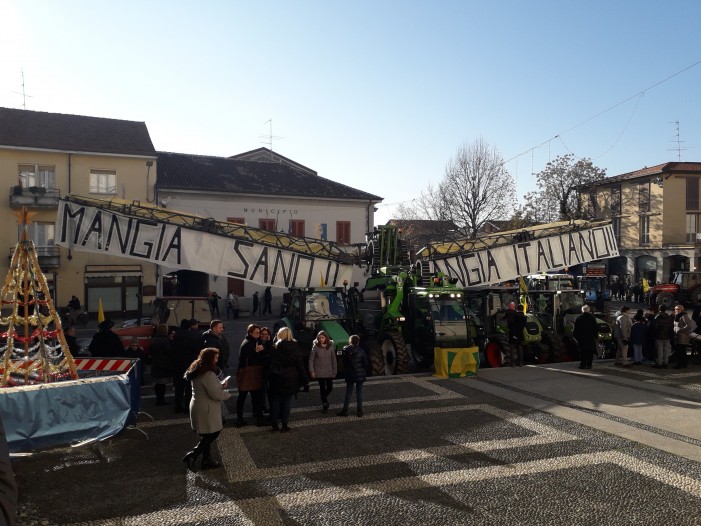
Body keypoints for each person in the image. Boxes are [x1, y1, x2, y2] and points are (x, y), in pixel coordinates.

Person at [182, 347, 231, 470]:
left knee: (206, 434)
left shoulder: (197, 370)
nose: (217, 359)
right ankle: (194, 454)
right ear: (210, 359)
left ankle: (206, 460)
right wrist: (227, 393)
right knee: (214, 432)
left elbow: (207, 387)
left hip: (199, 405)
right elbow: (215, 394)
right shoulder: (208, 374)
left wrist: (220, 385)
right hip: (206, 408)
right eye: (215, 357)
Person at [268, 327, 308, 432]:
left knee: (276, 402)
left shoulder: (276, 347)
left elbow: (271, 362)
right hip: (291, 378)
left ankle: (274, 424)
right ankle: (285, 424)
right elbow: (300, 366)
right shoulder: (295, 347)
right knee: (287, 402)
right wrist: (305, 381)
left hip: (277, 377)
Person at [236, 324, 266, 427]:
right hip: (248, 373)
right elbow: (246, 359)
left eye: (259, 333)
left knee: (252, 396)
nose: (259, 335)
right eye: (256, 333)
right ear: (250, 333)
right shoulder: (249, 343)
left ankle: (256, 416)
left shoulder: (254, 341)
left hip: (250, 373)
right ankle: (241, 419)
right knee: (245, 396)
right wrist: (256, 352)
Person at [337, 334, 368, 417]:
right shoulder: (361, 351)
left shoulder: (346, 350)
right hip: (360, 374)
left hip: (350, 374)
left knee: (348, 392)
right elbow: (365, 363)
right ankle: (359, 411)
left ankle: (345, 410)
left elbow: (344, 362)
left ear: (350, 341)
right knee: (359, 393)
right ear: (358, 342)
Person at [309, 330, 337, 412]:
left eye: (322, 337)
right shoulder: (315, 347)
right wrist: (312, 371)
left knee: (330, 387)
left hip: (329, 371)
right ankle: (325, 403)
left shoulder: (331, 347)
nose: (321, 339)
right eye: (319, 338)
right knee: (322, 387)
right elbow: (311, 359)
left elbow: (334, 360)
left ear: (326, 338)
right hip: (319, 371)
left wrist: (334, 371)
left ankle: (323, 398)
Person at [150, 324, 172, 405]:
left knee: (157, 383)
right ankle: (161, 400)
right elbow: (168, 351)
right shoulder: (166, 340)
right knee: (162, 384)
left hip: (155, 363)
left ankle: (158, 399)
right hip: (164, 364)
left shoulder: (153, 339)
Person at [573, 305, 598, 369]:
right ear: (589, 310)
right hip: (590, 338)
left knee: (583, 351)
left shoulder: (578, 318)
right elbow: (595, 328)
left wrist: (575, 336)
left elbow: (576, 329)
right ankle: (589, 365)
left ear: (582, 310)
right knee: (590, 352)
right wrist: (595, 336)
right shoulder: (592, 318)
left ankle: (582, 364)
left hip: (582, 338)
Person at [503, 302, 527, 367]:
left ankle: (512, 363)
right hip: (520, 334)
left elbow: (511, 324)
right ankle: (521, 363)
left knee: (512, 348)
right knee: (520, 348)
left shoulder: (514, 315)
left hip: (513, 333)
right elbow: (523, 326)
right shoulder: (525, 317)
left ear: (517, 308)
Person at [652, 304, 674, 369]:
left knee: (660, 350)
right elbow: (671, 327)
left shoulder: (657, 317)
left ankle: (659, 363)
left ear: (659, 309)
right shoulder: (669, 317)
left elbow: (655, 327)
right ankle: (665, 363)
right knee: (666, 350)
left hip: (659, 336)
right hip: (667, 336)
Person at [259, 327, 274, 413]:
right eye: (263, 334)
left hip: (269, 370)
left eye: (266, 334)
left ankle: (269, 407)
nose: (264, 336)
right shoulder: (258, 343)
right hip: (262, 370)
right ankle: (263, 406)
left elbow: (270, 354)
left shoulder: (270, 343)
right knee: (262, 390)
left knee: (269, 390)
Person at [673, 305, 693, 369]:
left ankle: (680, 364)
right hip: (679, 336)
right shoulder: (678, 316)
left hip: (683, 336)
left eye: (678, 309)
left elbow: (689, 325)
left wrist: (681, 330)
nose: (676, 310)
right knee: (681, 351)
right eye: (675, 309)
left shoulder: (684, 316)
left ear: (682, 310)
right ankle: (683, 364)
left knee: (681, 351)